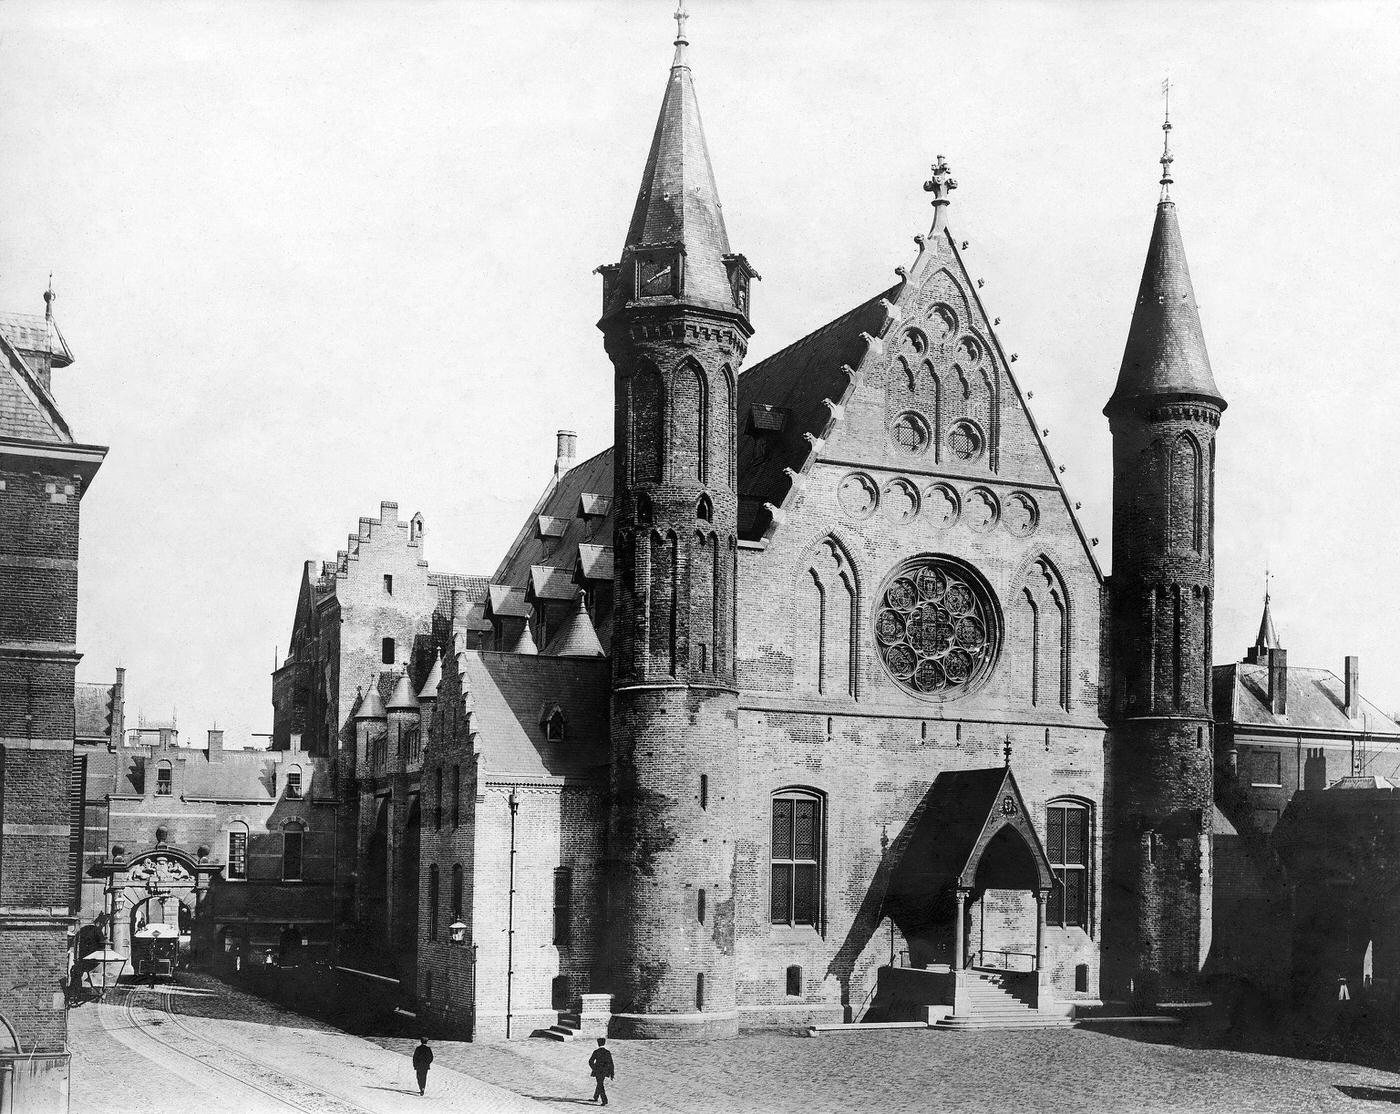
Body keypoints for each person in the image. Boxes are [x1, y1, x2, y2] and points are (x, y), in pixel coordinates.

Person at [588, 1037, 615, 1106]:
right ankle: (595, 1097)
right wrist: (612, 1073)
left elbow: (590, 1061)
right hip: (605, 1071)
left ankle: (604, 1100)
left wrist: (594, 1068)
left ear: (598, 1043)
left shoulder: (596, 1052)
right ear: (604, 1043)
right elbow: (611, 1063)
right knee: (600, 1083)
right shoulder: (607, 1052)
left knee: (600, 1084)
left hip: (598, 1071)